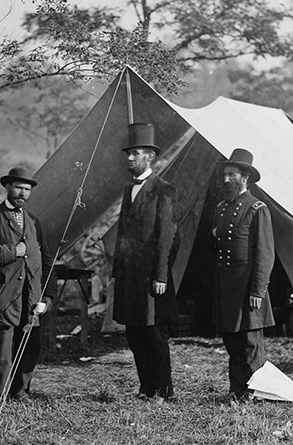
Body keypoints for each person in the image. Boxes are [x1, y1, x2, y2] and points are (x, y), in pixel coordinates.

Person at [0, 166, 56, 407]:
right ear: (8, 187)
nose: (23, 193)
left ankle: (20, 393)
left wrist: (47, 296)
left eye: (27, 189)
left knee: (30, 347)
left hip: (30, 299)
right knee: (3, 352)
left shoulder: (33, 221)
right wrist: (13, 251)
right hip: (5, 298)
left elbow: (48, 261)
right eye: (19, 188)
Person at [112, 123, 179, 402]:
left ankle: (163, 391)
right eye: (129, 154)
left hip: (152, 278)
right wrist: (117, 272)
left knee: (154, 336)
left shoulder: (164, 190)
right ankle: (146, 388)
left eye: (136, 153)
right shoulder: (129, 189)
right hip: (129, 278)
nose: (130, 158)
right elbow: (122, 233)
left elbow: (167, 237)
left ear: (150, 156)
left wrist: (160, 276)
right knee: (135, 335)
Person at [212, 148, 275, 402]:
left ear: (245, 177)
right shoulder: (221, 208)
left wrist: (257, 291)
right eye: (225, 174)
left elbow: (265, 254)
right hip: (228, 285)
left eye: (232, 174)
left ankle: (256, 392)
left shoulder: (257, 208)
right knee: (232, 341)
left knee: (250, 344)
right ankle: (237, 390)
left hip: (248, 286)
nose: (226, 179)